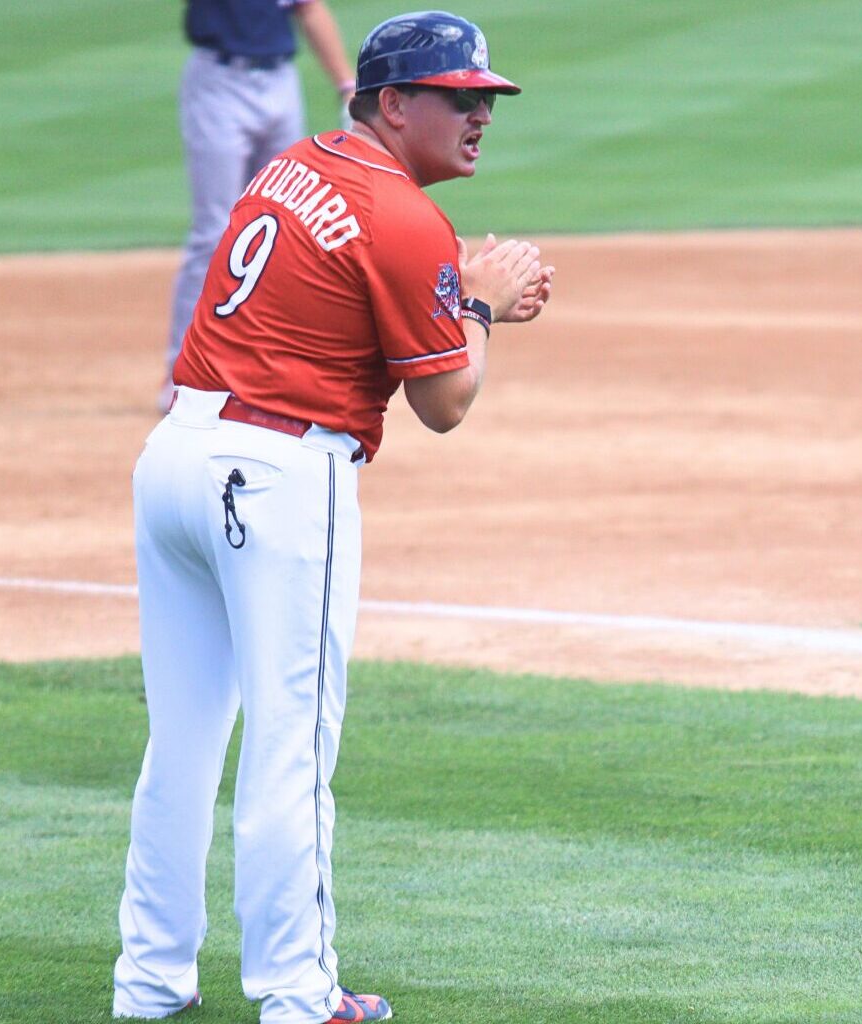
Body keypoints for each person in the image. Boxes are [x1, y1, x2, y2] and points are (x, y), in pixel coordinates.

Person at [113, 11, 555, 1022]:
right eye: (460, 98)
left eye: (486, 100)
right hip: (277, 475)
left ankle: (147, 984)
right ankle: (300, 995)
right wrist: (478, 303)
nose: (481, 117)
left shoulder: (295, 165)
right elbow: (444, 403)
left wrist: (463, 300)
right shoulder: (406, 220)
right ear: (394, 103)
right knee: (291, 747)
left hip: (178, 455)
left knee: (180, 744)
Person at [163, 0, 358, 410]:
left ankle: (270, 370)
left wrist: (346, 85)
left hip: (280, 82)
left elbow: (310, 8)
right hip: (219, 80)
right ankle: (182, 376)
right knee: (214, 232)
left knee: (284, 223)